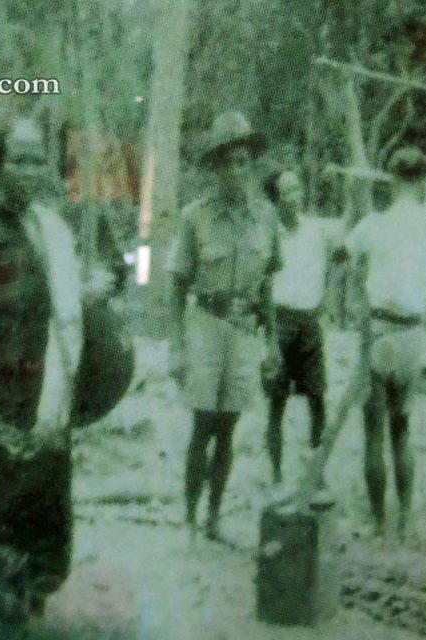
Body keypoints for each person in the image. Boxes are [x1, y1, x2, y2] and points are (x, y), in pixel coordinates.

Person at [0, 117, 123, 633]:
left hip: (49, 399)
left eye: (37, 158)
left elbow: (54, 306)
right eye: (18, 157)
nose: (29, 168)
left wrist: (93, 292)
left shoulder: (49, 229)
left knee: (43, 527)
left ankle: (31, 606)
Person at [168, 111, 281, 540]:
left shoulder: (266, 218)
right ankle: (190, 515)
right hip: (205, 326)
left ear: (252, 166)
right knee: (203, 425)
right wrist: (176, 345)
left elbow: (268, 284)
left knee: (229, 427)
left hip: (243, 330)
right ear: (214, 168)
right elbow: (178, 284)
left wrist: (272, 342)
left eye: (244, 163)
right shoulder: (195, 217)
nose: (236, 171)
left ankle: (215, 514)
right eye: (227, 163)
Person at [344, 146, 426, 536]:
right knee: (402, 431)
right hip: (411, 336)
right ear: (423, 182)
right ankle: (405, 519)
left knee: (374, 432)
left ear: (392, 179)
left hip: (378, 332)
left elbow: (346, 254)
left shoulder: (375, 224)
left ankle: (379, 523)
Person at [262, 169, 345, 485]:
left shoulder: (316, 230)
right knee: (277, 402)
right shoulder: (268, 234)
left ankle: (316, 472)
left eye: (298, 189)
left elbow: (343, 250)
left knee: (318, 397)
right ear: (276, 200)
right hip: (280, 321)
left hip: (310, 322)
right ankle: (276, 474)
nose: (295, 197)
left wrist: (328, 296)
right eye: (287, 192)